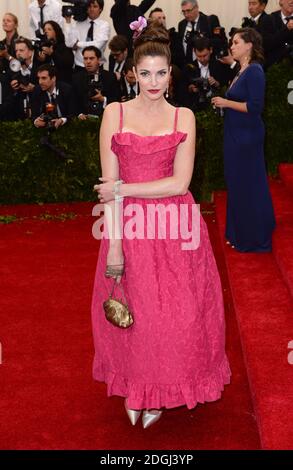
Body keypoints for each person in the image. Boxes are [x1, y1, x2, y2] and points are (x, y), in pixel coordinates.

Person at [92, 23, 231, 429]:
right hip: (128, 228)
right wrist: (114, 246)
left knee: (174, 318)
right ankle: (139, 387)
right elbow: (108, 188)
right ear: (133, 73)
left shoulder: (183, 116)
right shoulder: (114, 114)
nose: (154, 81)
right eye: (146, 72)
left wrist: (122, 187)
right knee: (136, 315)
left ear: (171, 73)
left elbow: (180, 183)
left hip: (176, 230)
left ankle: (162, 393)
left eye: (161, 72)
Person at [212, 28, 276, 253]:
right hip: (235, 134)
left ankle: (254, 237)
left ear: (249, 45)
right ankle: (238, 234)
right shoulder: (241, 70)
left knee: (249, 184)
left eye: (236, 42)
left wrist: (226, 103)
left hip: (247, 137)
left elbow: (255, 107)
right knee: (237, 184)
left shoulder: (255, 71)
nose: (232, 46)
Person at [72, 46, 121, 120]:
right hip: (83, 121)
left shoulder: (110, 77)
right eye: (85, 59)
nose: (88, 62)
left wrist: (102, 99)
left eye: (91, 58)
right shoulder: (77, 78)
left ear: (98, 60)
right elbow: (74, 101)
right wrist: (80, 114)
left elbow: (116, 100)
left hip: (106, 118)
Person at [64, 0, 110, 70]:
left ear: (100, 9)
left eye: (95, 6)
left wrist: (78, 44)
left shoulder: (104, 25)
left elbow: (97, 45)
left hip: (97, 67)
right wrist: (68, 22)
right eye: (89, 6)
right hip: (79, 66)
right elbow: (69, 44)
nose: (91, 9)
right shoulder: (78, 23)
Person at [178, 0, 220, 65]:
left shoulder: (210, 21)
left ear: (196, 8)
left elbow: (219, 41)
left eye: (188, 11)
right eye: (183, 12)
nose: (186, 15)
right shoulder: (181, 24)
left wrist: (202, 40)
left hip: (207, 65)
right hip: (188, 67)